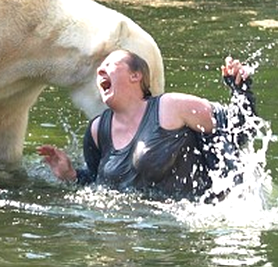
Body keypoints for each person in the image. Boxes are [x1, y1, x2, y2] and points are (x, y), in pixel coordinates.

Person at [37, 50, 258, 202]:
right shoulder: (97, 130)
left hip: (187, 230)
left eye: (109, 65)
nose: (100, 71)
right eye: (98, 69)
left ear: (136, 75)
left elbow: (240, 130)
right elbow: (97, 185)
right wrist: (72, 175)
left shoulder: (172, 107)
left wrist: (241, 89)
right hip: (130, 234)